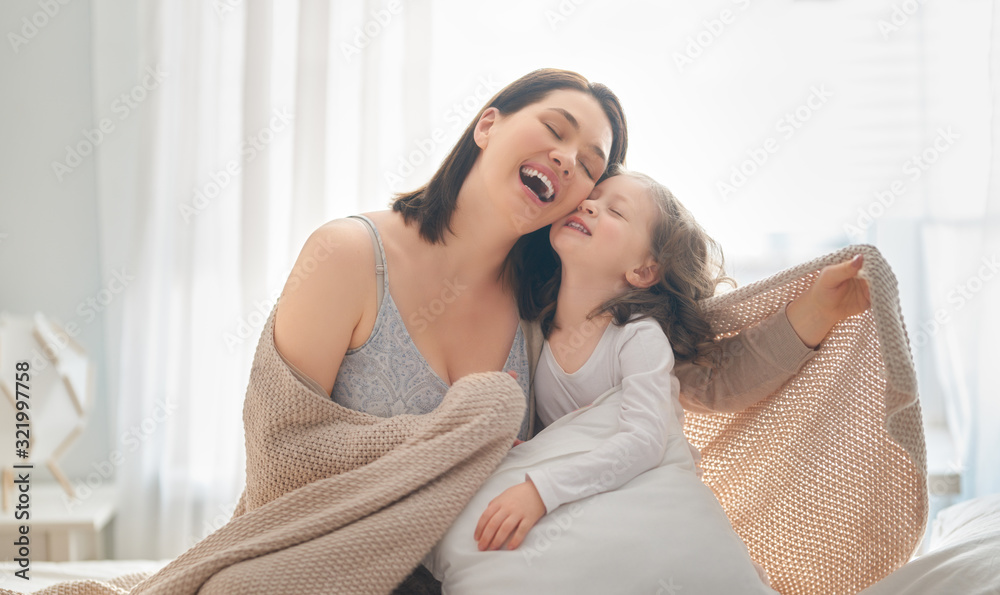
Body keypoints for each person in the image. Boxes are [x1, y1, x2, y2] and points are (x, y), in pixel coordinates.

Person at [270, 68, 870, 589]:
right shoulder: (349, 254)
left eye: (589, 166)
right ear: (487, 127)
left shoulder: (545, 302)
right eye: (555, 131)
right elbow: (282, 456)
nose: (567, 161)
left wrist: (811, 316)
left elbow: (703, 377)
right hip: (331, 557)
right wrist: (459, 445)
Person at [472, 167, 730, 552]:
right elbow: (556, 435)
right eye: (592, 198)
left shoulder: (636, 336)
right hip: (583, 505)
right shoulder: (534, 328)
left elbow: (645, 442)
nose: (590, 206)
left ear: (644, 271)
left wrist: (541, 491)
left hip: (654, 506)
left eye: (617, 211)